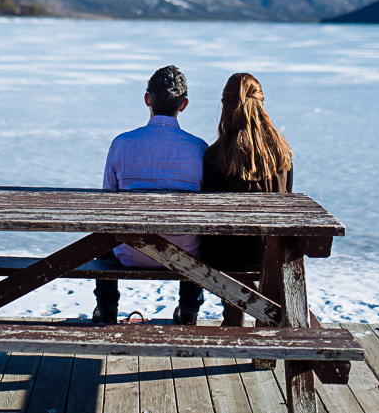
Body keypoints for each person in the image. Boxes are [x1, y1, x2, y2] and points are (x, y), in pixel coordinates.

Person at [94, 65, 207, 325]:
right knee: (201, 241)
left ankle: (107, 308)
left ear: (147, 99)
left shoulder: (122, 143)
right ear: (184, 104)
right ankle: (189, 310)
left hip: (129, 252)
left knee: (101, 240)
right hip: (185, 255)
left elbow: (106, 205)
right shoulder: (199, 148)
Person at [201, 72, 294, 326]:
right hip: (272, 253)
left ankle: (233, 311)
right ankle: (260, 314)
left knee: (216, 246)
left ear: (225, 106)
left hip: (227, 257)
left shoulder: (214, 156)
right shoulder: (282, 155)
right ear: (261, 104)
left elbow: (209, 218)